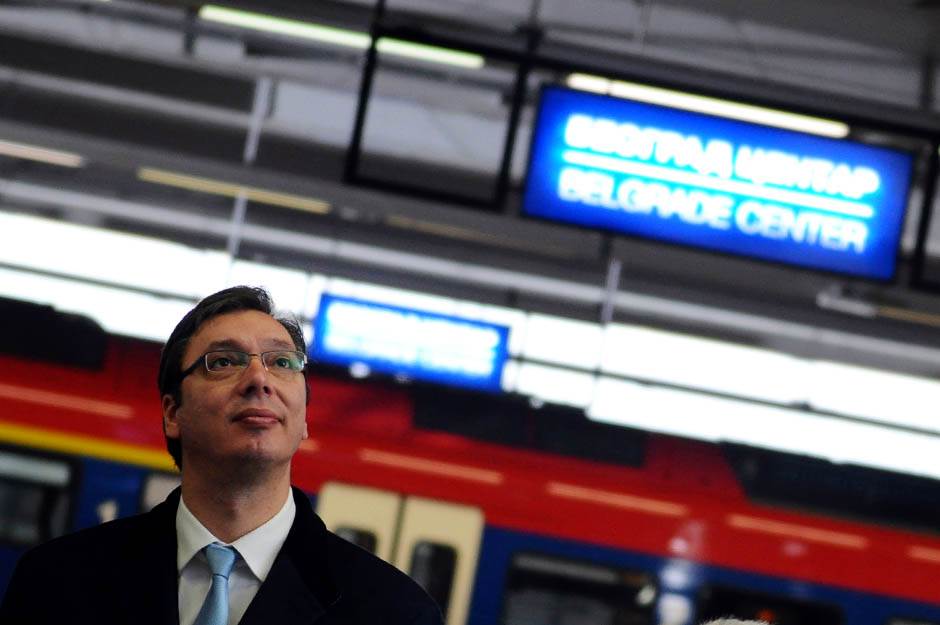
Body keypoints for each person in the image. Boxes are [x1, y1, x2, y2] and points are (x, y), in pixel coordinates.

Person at [0, 286, 443, 625]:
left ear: (304, 418)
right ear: (172, 413)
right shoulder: (57, 581)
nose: (259, 379)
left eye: (282, 363)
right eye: (224, 362)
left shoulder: (397, 613)